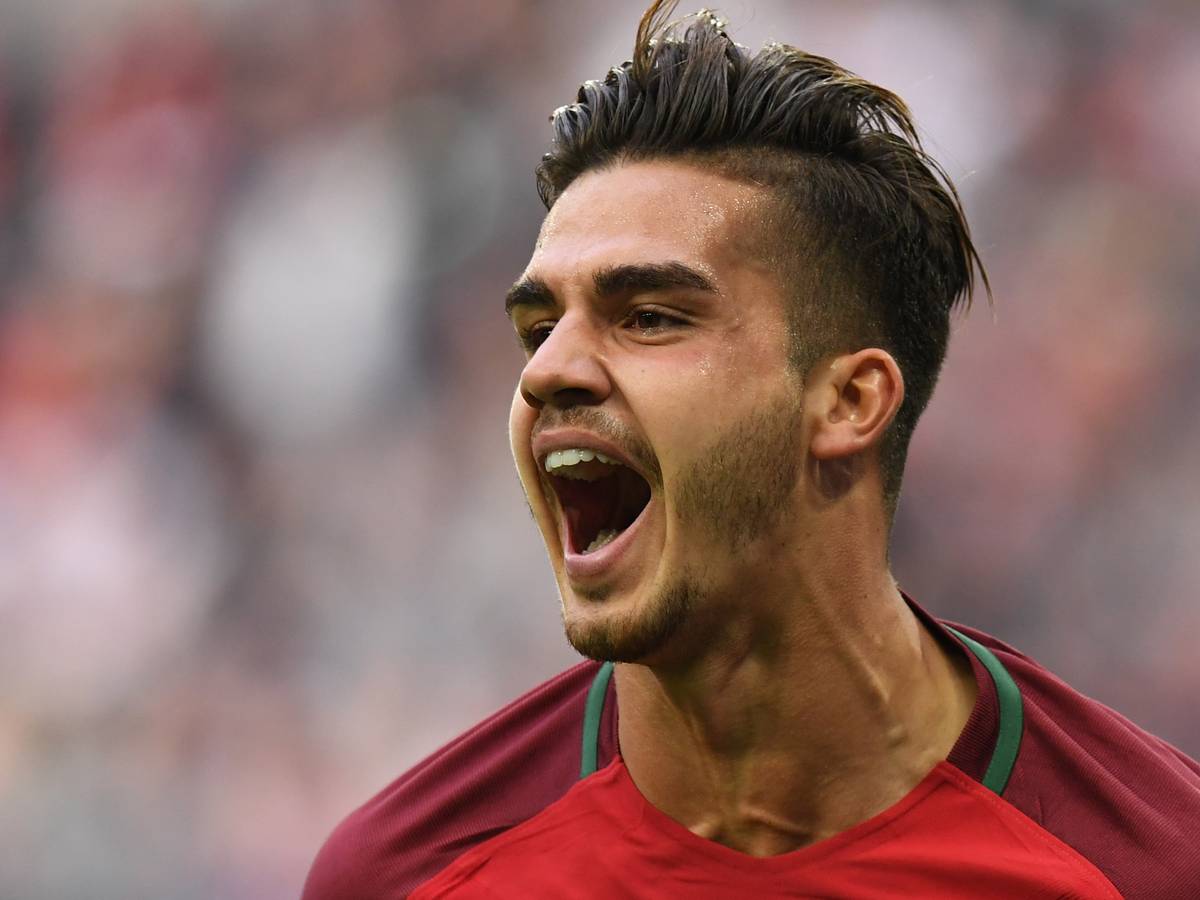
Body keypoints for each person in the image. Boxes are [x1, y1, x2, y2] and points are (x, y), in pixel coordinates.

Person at [303, 3, 1200, 897]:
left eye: (649, 317)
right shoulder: (407, 876)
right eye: (539, 329)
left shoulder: (1151, 866)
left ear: (849, 402)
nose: (547, 373)